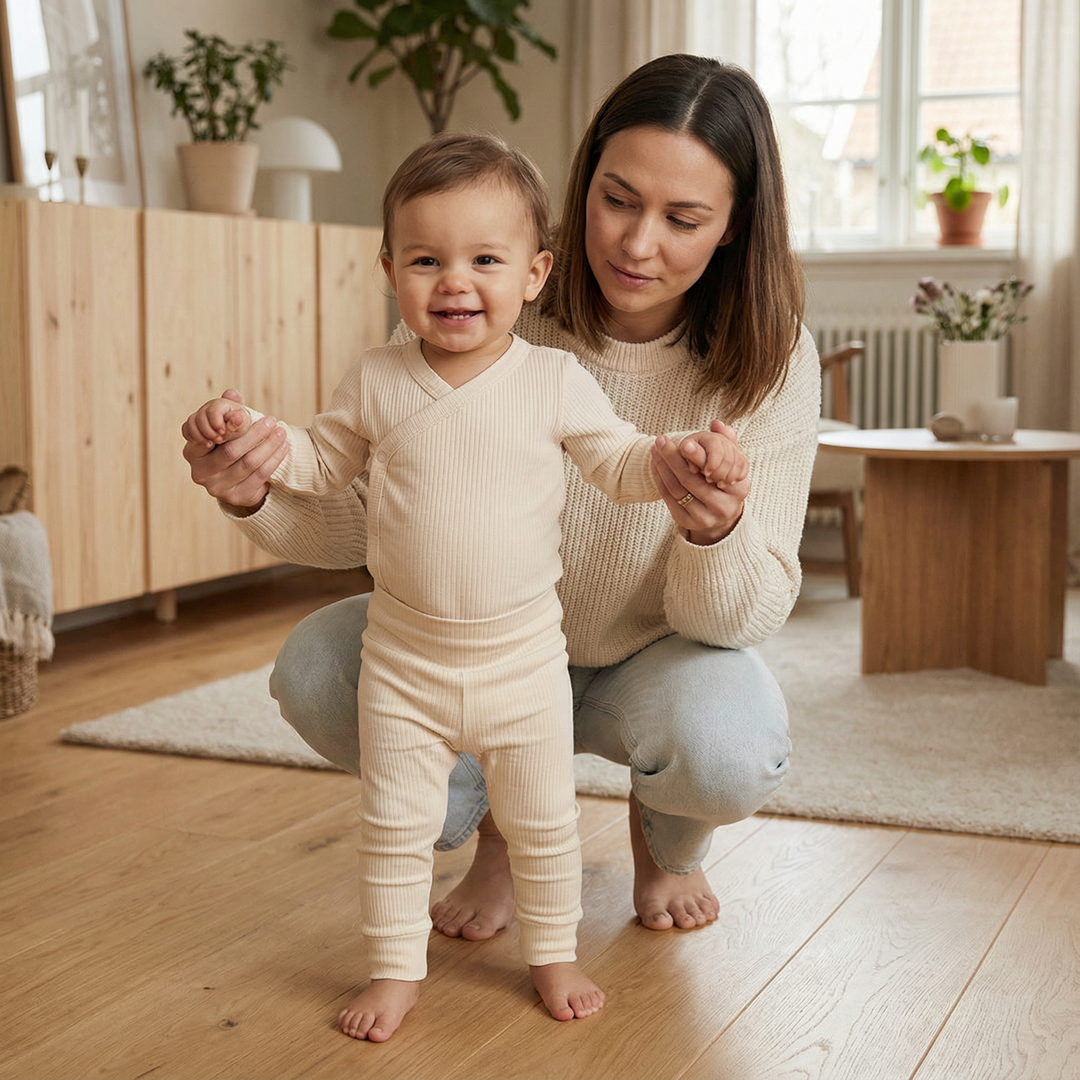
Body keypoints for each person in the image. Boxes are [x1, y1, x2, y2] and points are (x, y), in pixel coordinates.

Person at [184, 50, 817, 1007]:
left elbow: (743, 608)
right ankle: (496, 843)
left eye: (683, 219)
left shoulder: (766, 357)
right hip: (467, 643)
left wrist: (711, 529)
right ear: (581, 184)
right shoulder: (475, 288)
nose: (638, 244)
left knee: (726, 746)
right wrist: (253, 487)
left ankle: (667, 842)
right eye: (617, 198)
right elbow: (365, 511)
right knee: (316, 670)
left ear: (734, 230)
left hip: (651, 652)